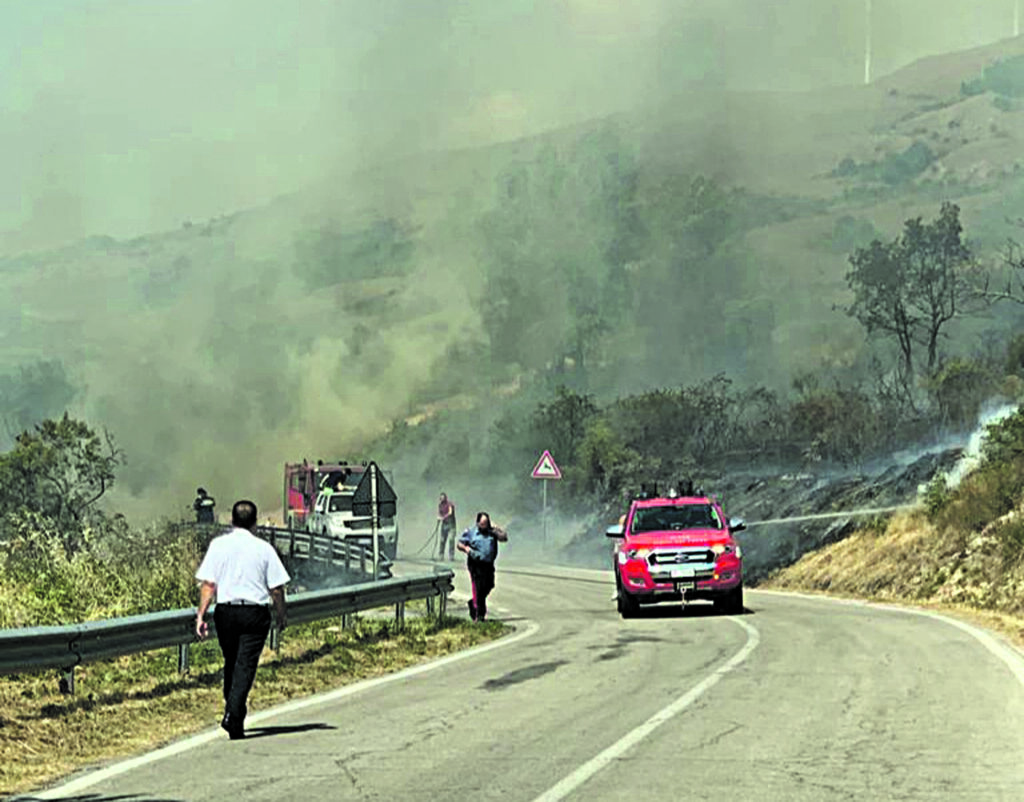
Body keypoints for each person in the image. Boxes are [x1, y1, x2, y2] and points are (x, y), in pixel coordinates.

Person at [195, 499, 290, 740]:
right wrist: (281, 615)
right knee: (245, 666)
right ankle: (233, 714)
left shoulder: (218, 545)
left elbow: (208, 584)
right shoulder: (264, 548)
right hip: (254, 614)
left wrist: (200, 615)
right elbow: (276, 589)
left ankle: (234, 717)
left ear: (232, 521)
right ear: (255, 523)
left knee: (232, 662)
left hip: (225, 612)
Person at [456, 511, 507, 622]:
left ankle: (473, 602)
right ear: (478, 523)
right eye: (483, 524)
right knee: (479, 588)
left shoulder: (492, 532)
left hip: (488, 564)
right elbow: (459, 544)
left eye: (487, 523)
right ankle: (480, 616)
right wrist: (466, 549)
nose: (485, 526)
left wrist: (496, 528)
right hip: (476, 564)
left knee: (489, 585)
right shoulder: (471, 532)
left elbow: (504, 538)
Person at [437, 492, 457, 561]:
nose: (442, 499)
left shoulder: (449, 504)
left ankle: (451, 556)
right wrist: (439, 517)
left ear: (445, 498)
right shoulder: (440, 505)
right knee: (442, 540)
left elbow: (450, 512)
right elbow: (439, 513)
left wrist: (443, 517)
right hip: (444, 525)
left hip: (451, 525)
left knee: (451, 540)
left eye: (443, 498)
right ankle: (441, 555)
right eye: (441, 498)